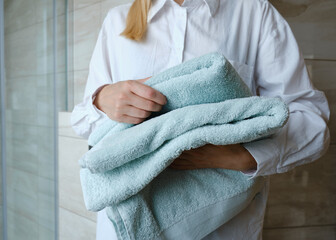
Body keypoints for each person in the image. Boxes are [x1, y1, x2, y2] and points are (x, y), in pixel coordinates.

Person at [71, 0, 330, 239]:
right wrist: (102, 100)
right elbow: (83, 122)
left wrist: (243, 156)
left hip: (224, 228)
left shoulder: (253, 13)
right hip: (126, 226)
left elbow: (311, 120)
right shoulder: (118, 20)